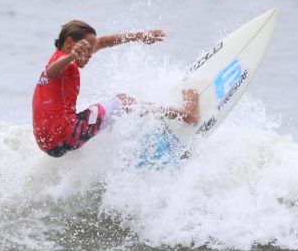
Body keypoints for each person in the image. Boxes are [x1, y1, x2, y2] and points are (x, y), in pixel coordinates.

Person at [32, 20, 199, 157]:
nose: (90, 54)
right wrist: (72, 56)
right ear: (69, 44)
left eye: (91, 49)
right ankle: (186, 115)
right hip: (67, 134)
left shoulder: (66, 57)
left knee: (107, 116)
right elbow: (51, 71)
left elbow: (103, 42)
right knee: (123, 102)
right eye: (87, 50)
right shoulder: (63, 63)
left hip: (49, 145)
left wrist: (139, 36)